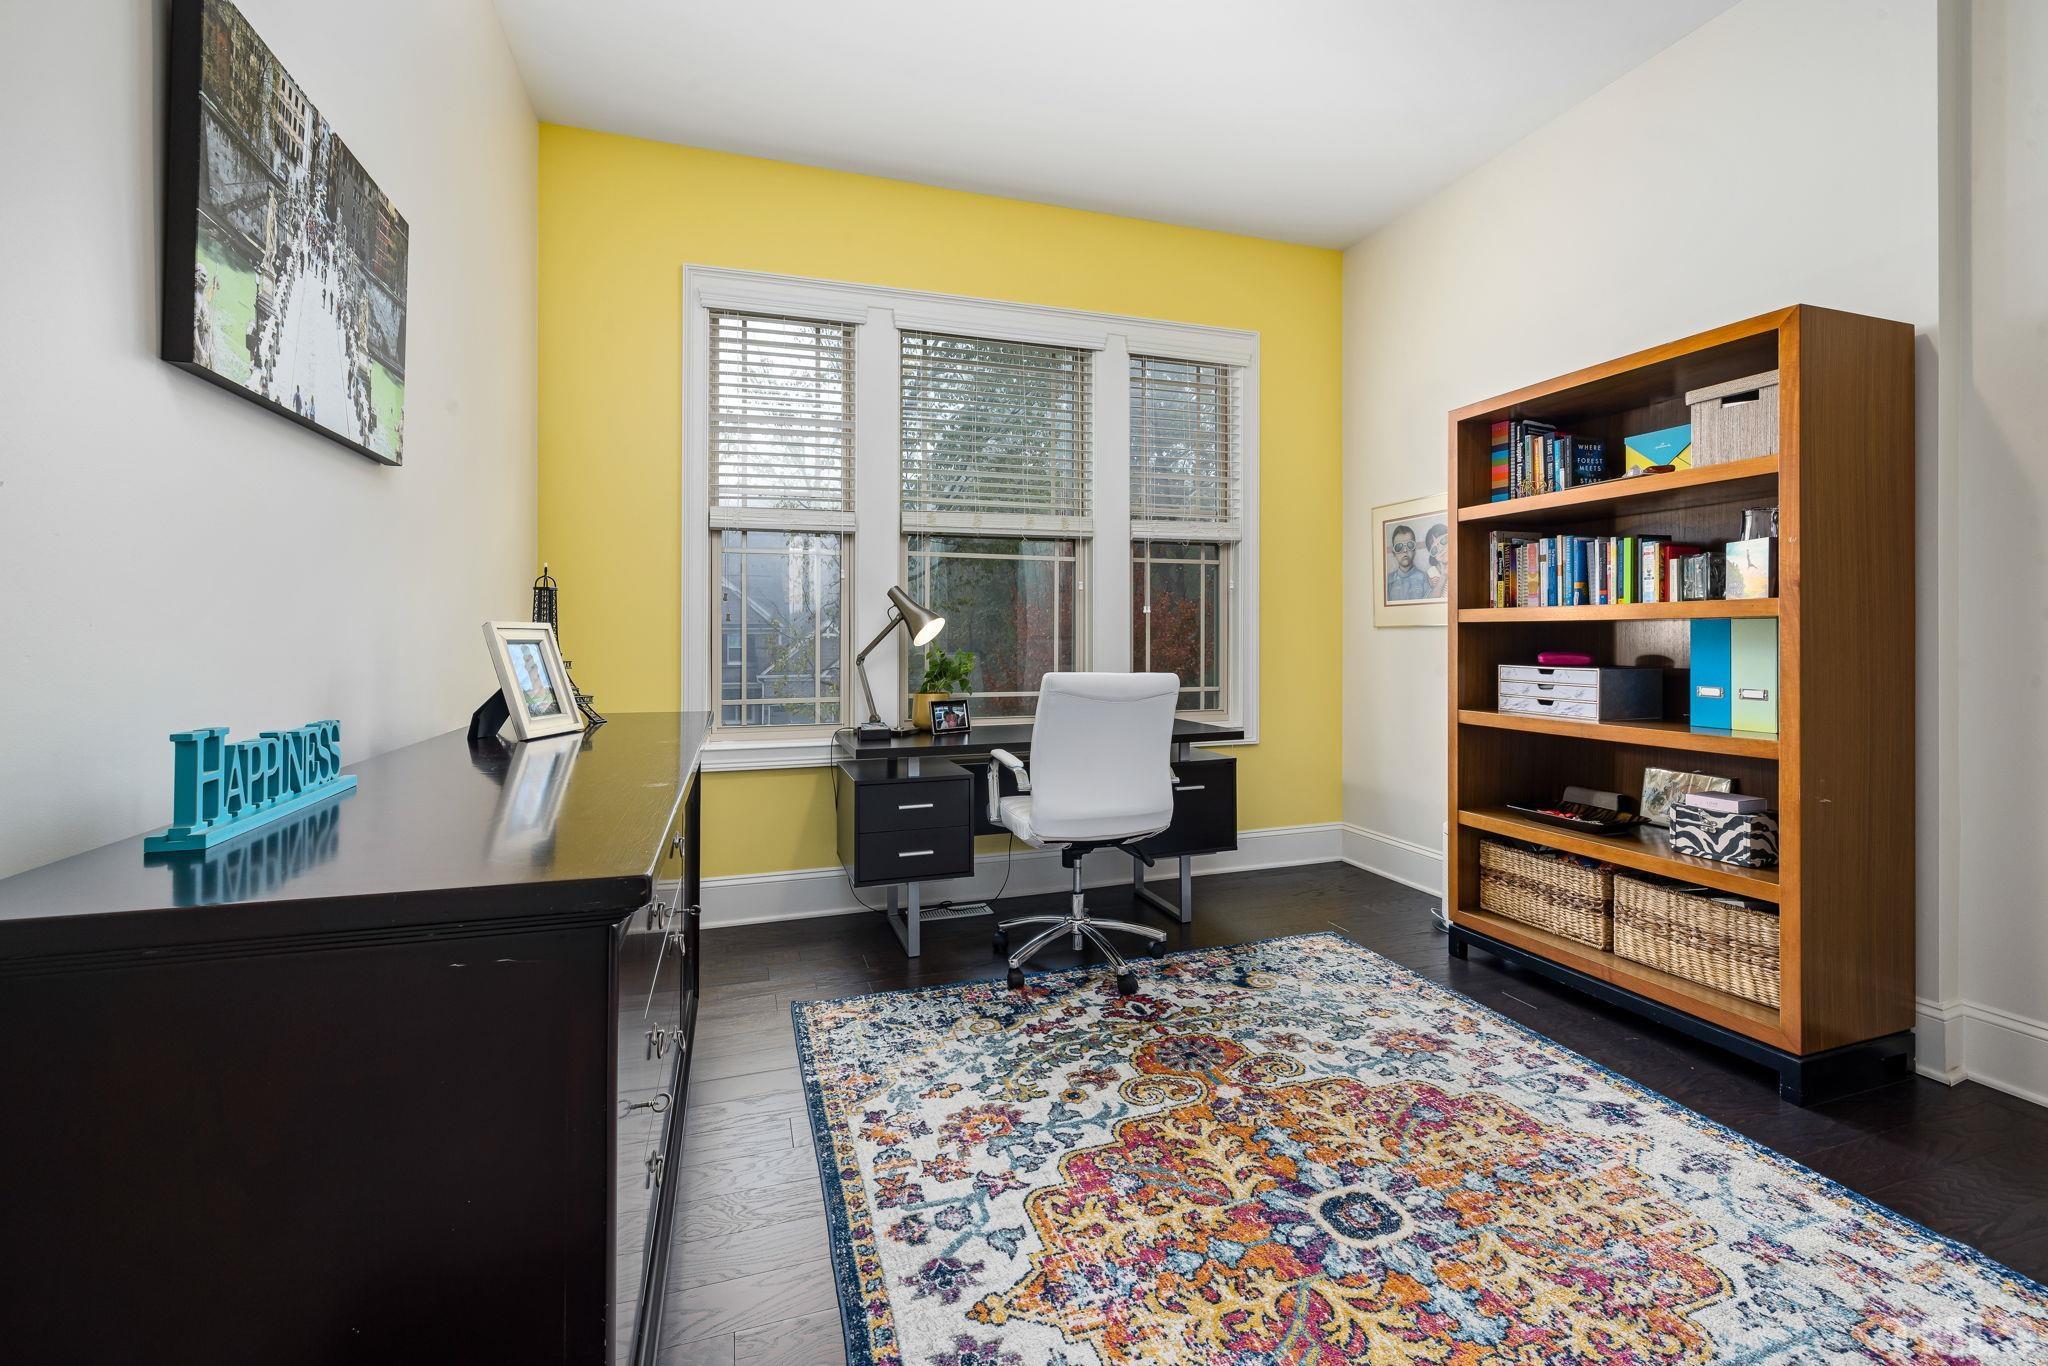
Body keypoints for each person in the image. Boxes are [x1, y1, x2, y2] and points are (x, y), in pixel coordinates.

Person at [1386, 523, 1432, 601]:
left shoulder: (1424, 578)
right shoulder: (1388, 580)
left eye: (1410, 545)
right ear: (1394, 553)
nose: (1405, 550)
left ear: (1414, 550)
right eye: (1399, 547)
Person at [1425, 523, 1449, 598]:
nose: (1440, 549)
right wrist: (1444, 575)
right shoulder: (1432, 572)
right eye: (1434, 549)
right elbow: (1434, 601)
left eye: (1443, 541)